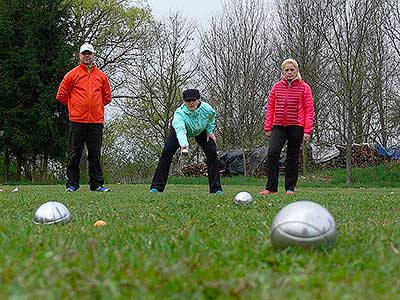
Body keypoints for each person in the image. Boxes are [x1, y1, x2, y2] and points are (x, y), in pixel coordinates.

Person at [56, 43, 112, 193]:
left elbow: (107, 97)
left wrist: (96, 106)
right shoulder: (71, 75)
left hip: (96, 121)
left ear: (93, 55)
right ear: (79, 55)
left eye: (89, 53)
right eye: (84, 53)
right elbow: (61, 95)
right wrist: (75, 107)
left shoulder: (101, 76)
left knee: (95, 154)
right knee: (74, 153)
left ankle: (97, 184)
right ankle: (72, 184)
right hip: (77, 121)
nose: (87, 56)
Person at [149, 89, 223, 194]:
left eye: (193, 100)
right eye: (188, 101)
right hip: (181, 131)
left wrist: (210, 131)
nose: (191, 103)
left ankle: (216, 189)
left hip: (201, 130)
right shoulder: (179, 114)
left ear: (198, 100)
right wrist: (184, 145)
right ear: (184, 102)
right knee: (167, 152)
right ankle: (156, 187)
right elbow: (181, 131)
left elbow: (211, 118)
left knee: (212, 152)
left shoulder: (208, 109)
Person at [260, 58, 314, 195]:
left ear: (296, 71)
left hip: (296, 126)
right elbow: (270, 107)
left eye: (292, 70)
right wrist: (268, 127)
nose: (289, 72)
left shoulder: (304, 87)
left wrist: (307, 130)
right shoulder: (276, 87)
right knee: (272, 153)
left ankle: (290, 188)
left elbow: (309, 110)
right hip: (278, 125)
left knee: (292, 156)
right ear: (283, 72)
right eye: (286, 70)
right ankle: (271, 188)